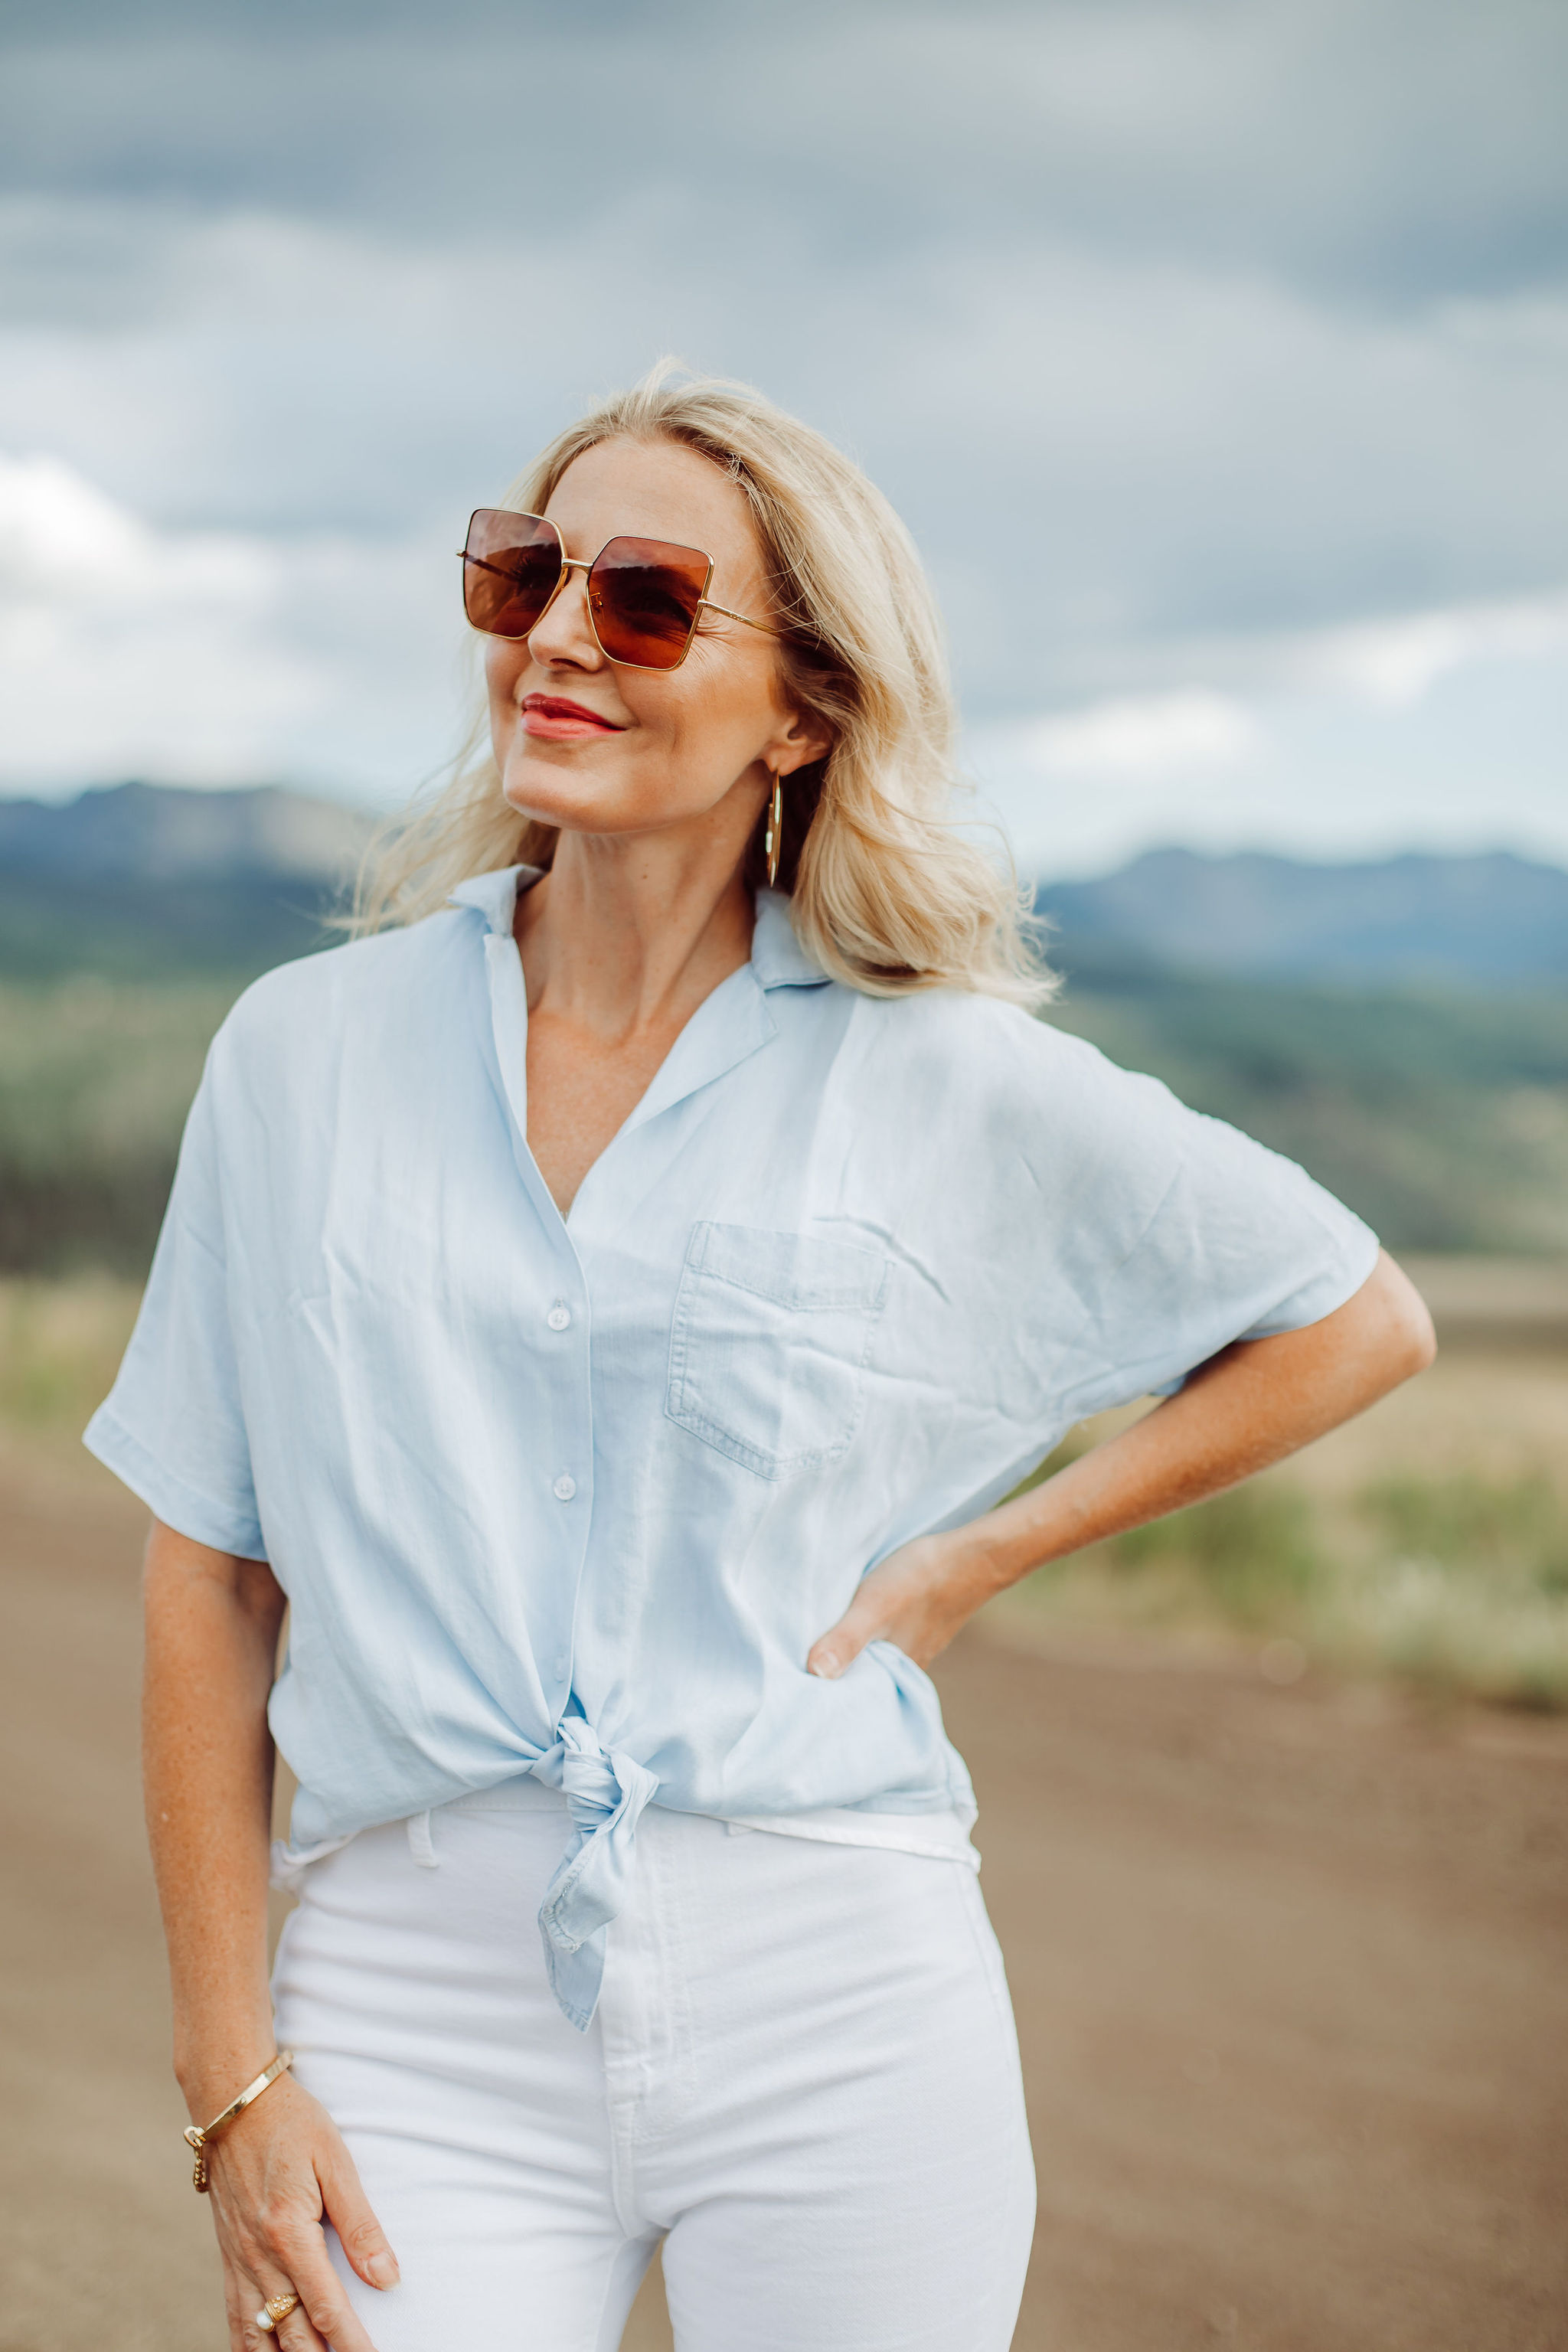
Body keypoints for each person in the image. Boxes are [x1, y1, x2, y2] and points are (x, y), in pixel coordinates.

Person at [87, 368, 1435, 2352]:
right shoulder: (301, 1055)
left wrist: (973, 1559)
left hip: (842, 1990)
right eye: (524, 572)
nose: (556, 632)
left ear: (804, 706)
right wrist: (234, 2084)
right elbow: (212, 1568)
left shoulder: (938, 1071)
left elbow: (1357, 1316)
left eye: (644, 601)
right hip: (411, 1992)